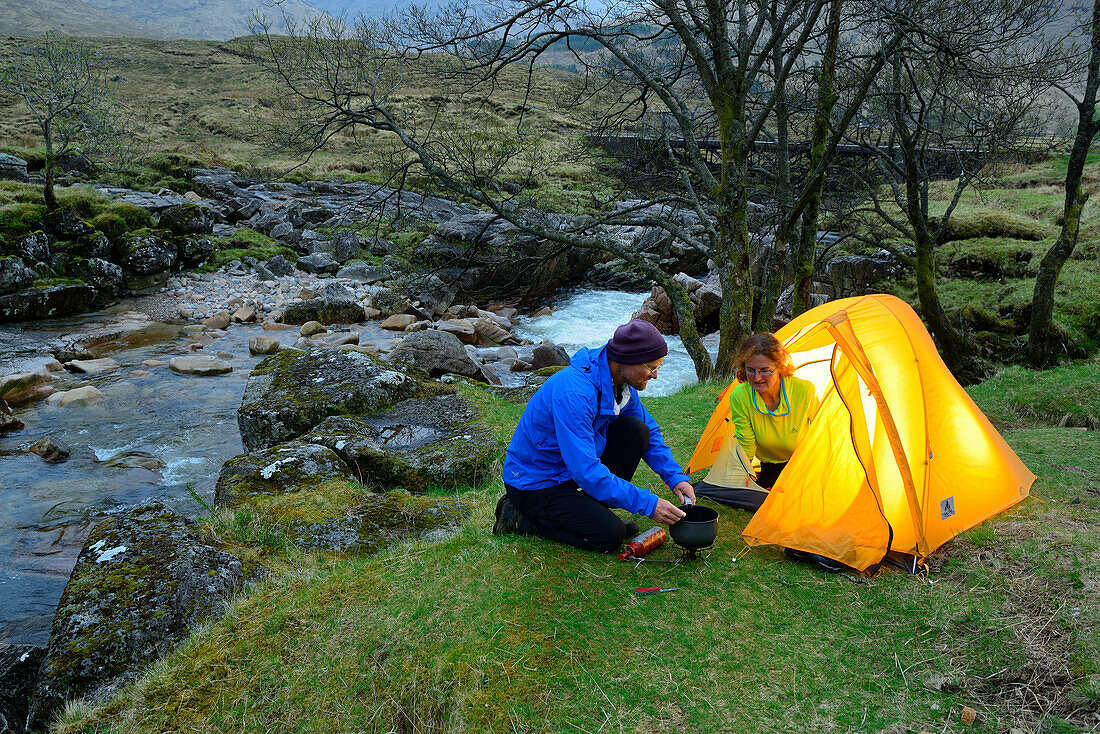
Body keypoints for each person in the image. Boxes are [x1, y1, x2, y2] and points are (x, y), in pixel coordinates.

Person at [493, 320, 696, 552]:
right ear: (627, 360)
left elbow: (650, 429)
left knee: (637, 431)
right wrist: (649, 504)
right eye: (651, 368)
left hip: (568, 472)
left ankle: (591, 511)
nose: (655, 375)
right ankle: (519, 517)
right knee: (609, 536)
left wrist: (675, 478)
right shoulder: (575, 393)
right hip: (535, 483)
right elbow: (585, 470)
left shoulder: (619, 383)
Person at [727, 333, 819, 489]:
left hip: (804, 464)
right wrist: (743, 480)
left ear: (780, 367)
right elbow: (746, 442)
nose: (757, 378)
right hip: (769, 465)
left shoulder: (804, 391)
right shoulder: (740, 395)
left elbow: (822, 434)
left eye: (765, 370)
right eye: (751, 370)